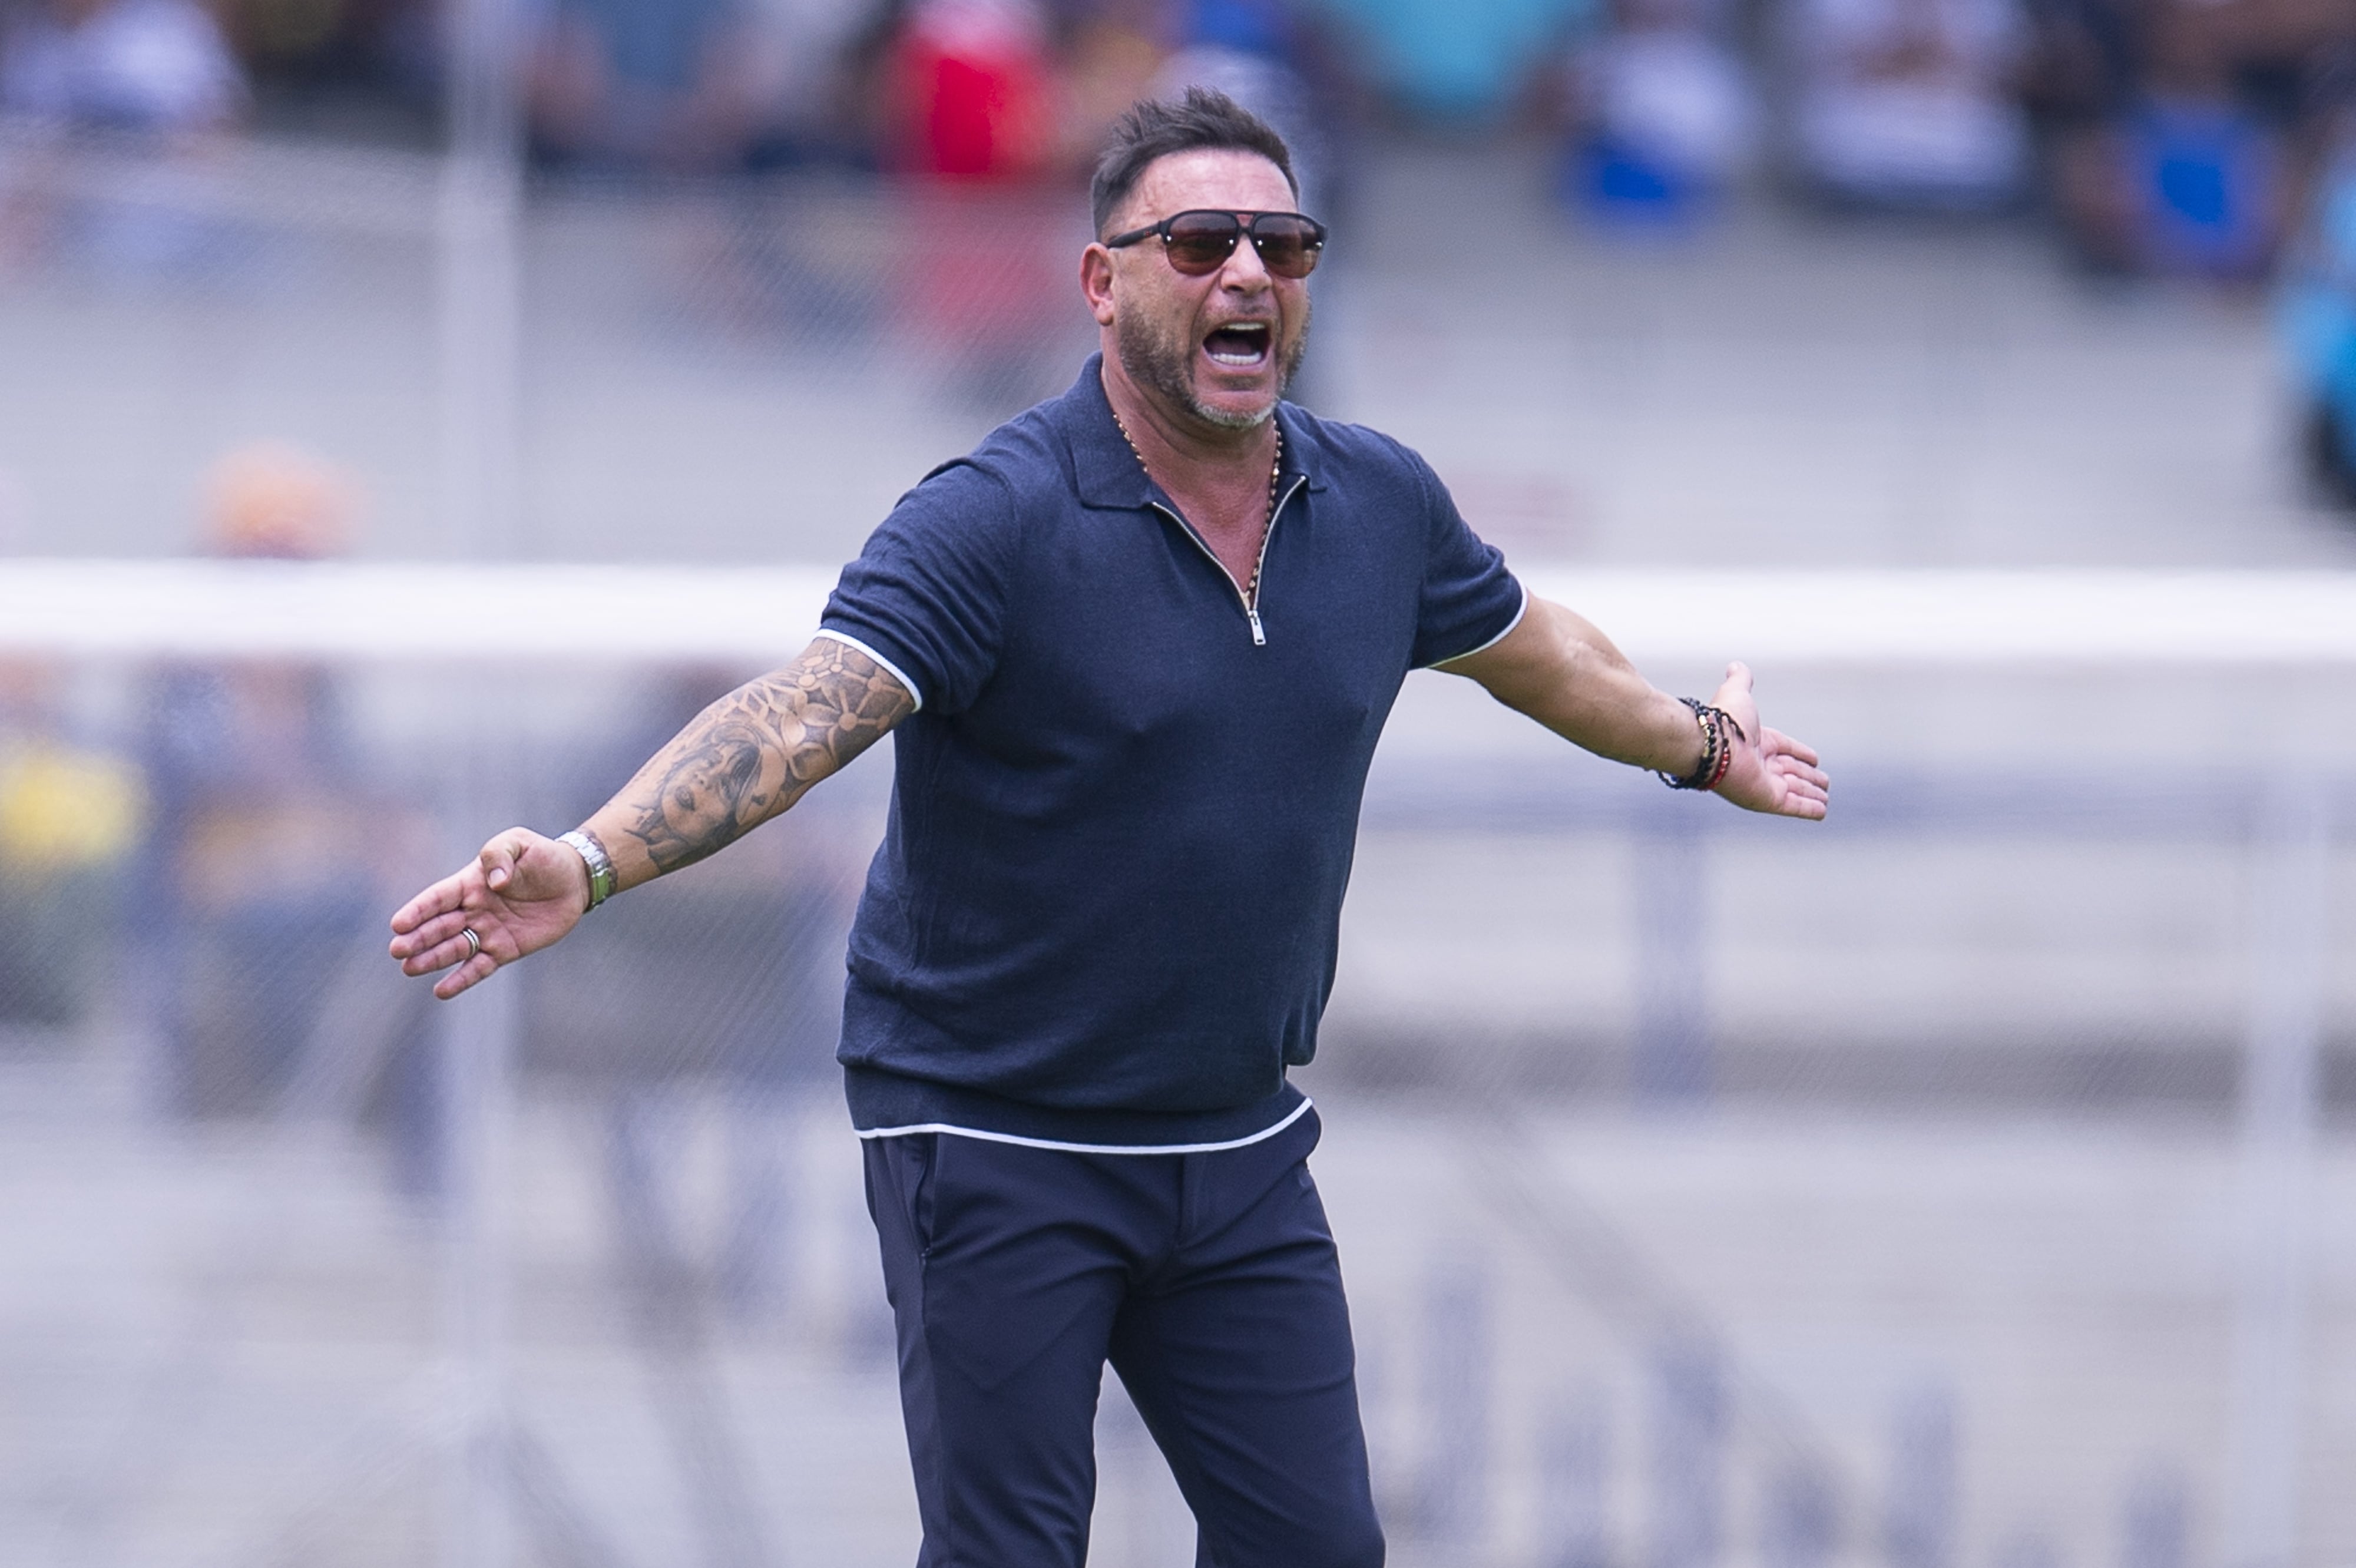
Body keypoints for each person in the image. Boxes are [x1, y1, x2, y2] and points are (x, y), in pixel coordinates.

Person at [391, 87, 1829, 1567]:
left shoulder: (1379, 501)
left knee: (1321, 1552)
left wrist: (1703, 745)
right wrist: (593, 859)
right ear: (1101, 280)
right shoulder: (992, 516)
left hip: (1234, 1130)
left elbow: (1541, 653)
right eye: (1199, 242)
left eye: (1283, 244)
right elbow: (804, 710)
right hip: (989, 1126)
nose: (1247, 272)